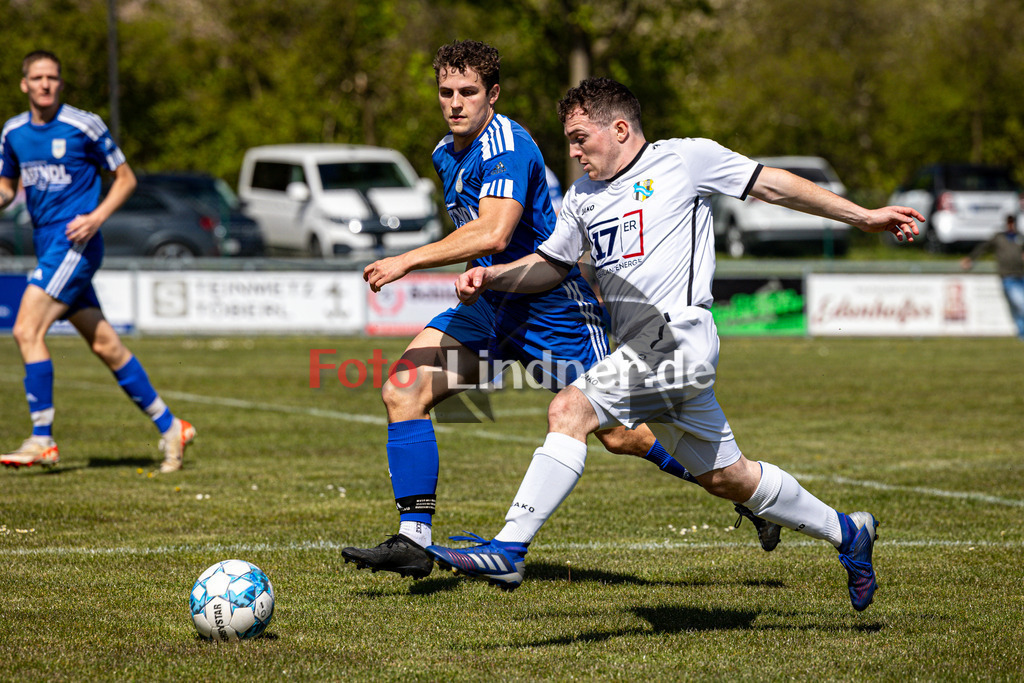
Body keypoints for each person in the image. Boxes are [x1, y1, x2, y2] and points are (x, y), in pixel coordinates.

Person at [426, 77, 923, 612]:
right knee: (729, 478)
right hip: (644, 350)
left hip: (678, 336)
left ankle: (508, 547)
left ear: (620, 129)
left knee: (569, 409)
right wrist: (492, 276)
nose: (572, 152)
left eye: (579, 138)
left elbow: (773, 186)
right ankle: (849, 531)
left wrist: (864, 216)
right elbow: (551, 264)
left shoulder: (685, 160)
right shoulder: (582, 197)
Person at [344, 43, 778, 580]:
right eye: (446, 92)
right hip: (488, 309)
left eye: (468, 92)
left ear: (492, 94)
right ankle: (414, 540)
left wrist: (407, 260)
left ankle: (745, 493)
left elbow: (494, 232)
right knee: (403, 389)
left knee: (621, 434)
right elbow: (478, 236)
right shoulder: (444, 152)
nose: (455, 103)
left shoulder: (509, 145)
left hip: (552, 310)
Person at [0, 50, 195, 471]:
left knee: (25, 328)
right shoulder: (13, 132)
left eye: (52, 77)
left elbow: (126, 178)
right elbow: (7, 187)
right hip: (47, 244)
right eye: (37, 77)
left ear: (60, 83)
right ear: (24, 84)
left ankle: (41, 438)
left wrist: (96, 217)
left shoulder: (83, 125)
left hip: (76, 243)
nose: (45, 84)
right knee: (106, 345)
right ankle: (171, 426)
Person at [960, 214, 1024, 338]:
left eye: (1012, 222)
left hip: (1021, 275)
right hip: (1007, 276)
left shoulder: (1020, 237)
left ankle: (1022, 333)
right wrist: (971, 258)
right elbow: (983, 248)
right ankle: (1022, 332)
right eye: (1009, 222)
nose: (1011, 225)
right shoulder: (999, 237)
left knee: (1017, 306)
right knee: (1019, 303)